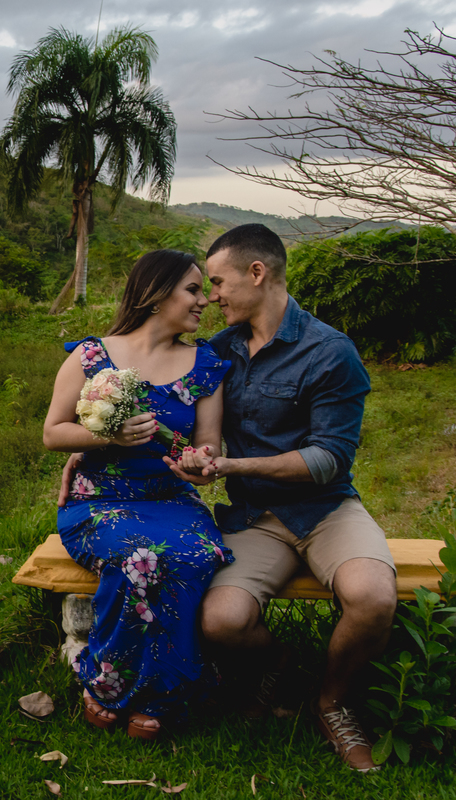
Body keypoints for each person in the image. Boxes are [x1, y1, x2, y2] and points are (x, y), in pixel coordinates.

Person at [165, 224, 396, 772]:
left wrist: (230, 465)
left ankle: (331, 701)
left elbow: (328, 460)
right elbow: (178, 406)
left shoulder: (329, 351)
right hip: (253, 518)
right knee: (222, 621)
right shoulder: (218, 350)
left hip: (325, 509)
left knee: (373, 597)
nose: (211, 296)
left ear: (257, 273)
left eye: (217, 282)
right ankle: (281, 662)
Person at [44, 249, 235, 741]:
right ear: (155, 294)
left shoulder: (206, 365)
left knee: (193, 556)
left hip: (171, 501)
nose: (203, 302)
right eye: (193, 290)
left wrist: (199, 465)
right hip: (99, 500)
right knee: (140, 555)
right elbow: (53, 432)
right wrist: (108, 437)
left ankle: (163, 692)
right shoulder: (91, 357)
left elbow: (207, 450)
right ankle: (107, 685)